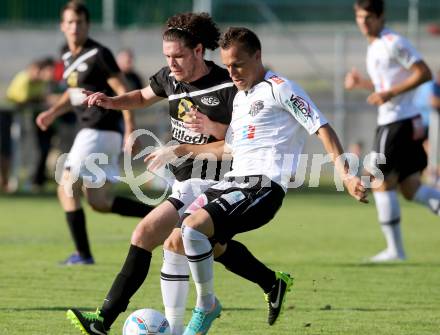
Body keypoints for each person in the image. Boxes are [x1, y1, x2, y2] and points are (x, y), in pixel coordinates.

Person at [66, 13, 294, 335]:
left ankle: (104, 320)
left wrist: (199, 138)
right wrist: (112, 102)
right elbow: (144, 96)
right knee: (195, 245)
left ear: (199, 51)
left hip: (217, 181)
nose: (171, 63)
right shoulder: (170, 79)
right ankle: (271, 282)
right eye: (167, 57)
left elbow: (240, 143)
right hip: (184, 180)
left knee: (150, 234)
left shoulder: (229, 86)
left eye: (178, 56)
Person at [173, 27, 367, 335]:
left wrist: (345, 173)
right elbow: (230, 148)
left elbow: (321, 127)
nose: (232, 72)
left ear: (257, 56)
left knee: (194, 228)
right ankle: (271, 282)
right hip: (233, 181)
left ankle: (205, 306)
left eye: (238, 64)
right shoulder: (239, 99)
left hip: (262, 186)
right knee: (181, 237)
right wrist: (185, 149)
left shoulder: (281, 88)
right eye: (227, 65)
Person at [35, 1, 153, 265]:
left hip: (98, 130)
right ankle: (162, 216)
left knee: (66, 187)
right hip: (95, 132)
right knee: (99, 201)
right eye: (70, 22)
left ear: (87, 25)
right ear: (62, 26)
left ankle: (83, 255)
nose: (75, 27)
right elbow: (73, 93)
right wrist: (52, 112)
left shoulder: (99, 54)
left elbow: (122, 88)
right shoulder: (67, 55)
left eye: (80, 22)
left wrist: (130, 127)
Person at [344, 0, 440, 262]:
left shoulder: (393, 42)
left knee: (380, 181)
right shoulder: (375, 45)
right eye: (360, 18)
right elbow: (386, 85)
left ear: (381, 16)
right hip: (405, 121)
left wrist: (389, 93)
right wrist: (363, 84)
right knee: (410, 188)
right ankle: (395, 250)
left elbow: (424, 73)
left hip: (397, 123)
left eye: (368, 18)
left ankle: (395, 251)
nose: (364, 23)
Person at [5, 57, 56, 192]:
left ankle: (33, 180)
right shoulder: (24, 78)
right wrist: (41, 100)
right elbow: (22, 99)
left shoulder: (41, 83)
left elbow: (40, 98)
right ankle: (11, 182)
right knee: (12, 151)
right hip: (10, 119)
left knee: (39, 149)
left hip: (28, 120)